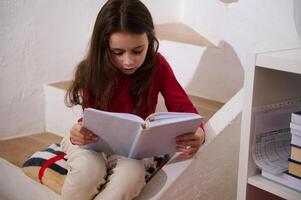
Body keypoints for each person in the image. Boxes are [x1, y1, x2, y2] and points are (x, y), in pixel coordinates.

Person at [61, 0, 205, 199]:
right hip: (93, 141)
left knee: (131, 176)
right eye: (117, 53)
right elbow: (90, 118)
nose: (128, 61)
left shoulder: (157, 65)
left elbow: (183, 107)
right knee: (88, 171)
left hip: (135, 149)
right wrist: (79, 132)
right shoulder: (93, 68)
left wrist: (199, 133)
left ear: (150, 39)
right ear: (104, 47)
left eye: (138, 51)